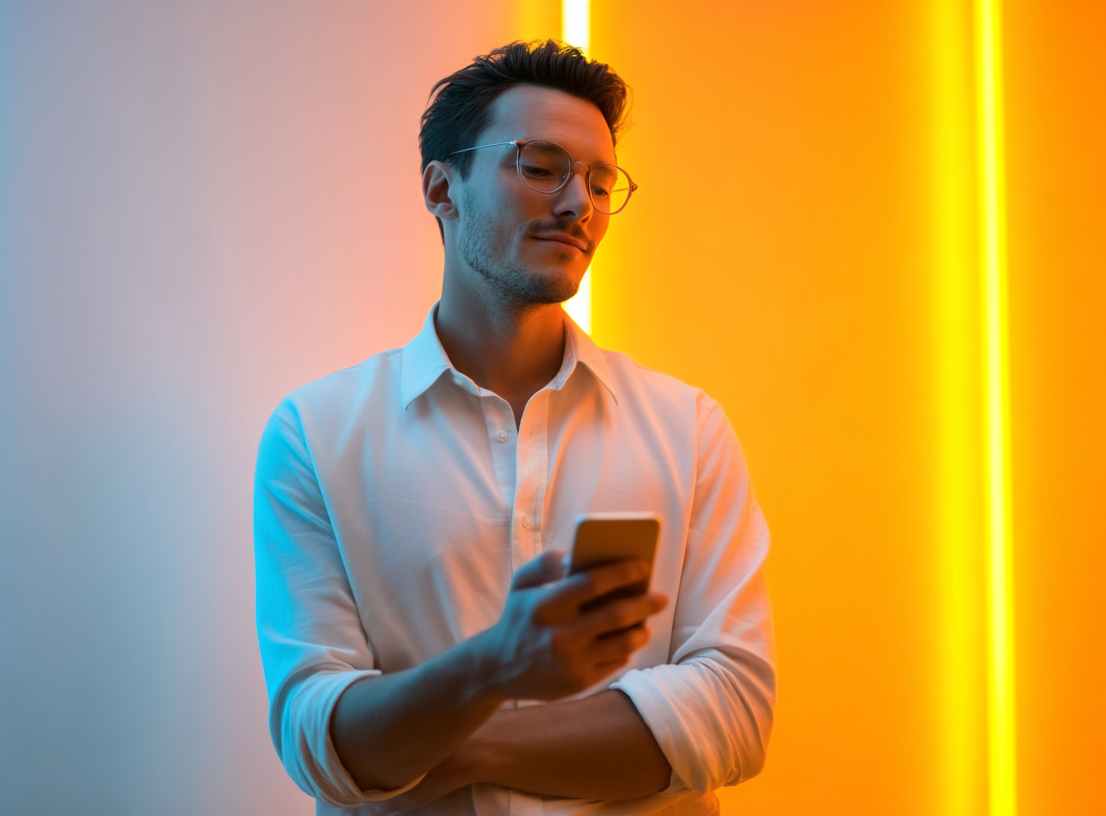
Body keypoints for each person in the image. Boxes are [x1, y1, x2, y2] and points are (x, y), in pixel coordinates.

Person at [253, 40, 775, 816]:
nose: (580, 205)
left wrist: (447, 744)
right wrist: (495, 666)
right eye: (540, 166)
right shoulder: (315, 434)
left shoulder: (687, 429)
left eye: (601, 182)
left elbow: (733, 714)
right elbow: (321, 739)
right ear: (442, 187)